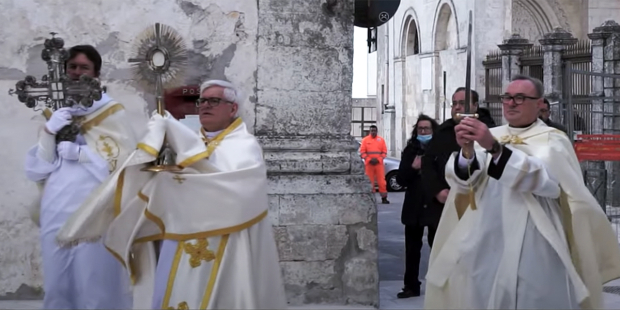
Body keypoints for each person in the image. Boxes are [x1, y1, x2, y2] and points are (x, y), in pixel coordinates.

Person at [56, 79, 288, 309]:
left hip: (227, 246)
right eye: (202, 101)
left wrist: (176, 185)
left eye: (214, 101)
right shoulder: (188, 142)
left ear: (233, 108)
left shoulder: (245, 146)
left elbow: (237, 197)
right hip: (180, 236)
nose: (205, 106)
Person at [424, 75, 620, 309]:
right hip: (486, 235)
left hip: (534, 235)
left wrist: (494, 149)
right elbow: (465, 184)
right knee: (479, 294)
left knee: (532, 296)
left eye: (520, 98)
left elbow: (545, 183)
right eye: (507, 97)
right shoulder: (489, 134)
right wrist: (467, 152)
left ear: (539, 103)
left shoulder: (552, 139)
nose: (511, 103)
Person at [24, 45, 136, 309]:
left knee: (94, 281)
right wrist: (49, 133)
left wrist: (82, 154)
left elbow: (124, 166)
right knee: (57, 282)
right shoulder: (54, 113)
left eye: (83, 67)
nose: (76, 73)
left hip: (95, 209)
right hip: (56, 206)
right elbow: (36, 170)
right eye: (71, 67)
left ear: (96, 74)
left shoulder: (111, 111)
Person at [421, 88, 495, 245]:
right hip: (443, 205)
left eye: (462, 103)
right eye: (454, 103)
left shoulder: (489, 131)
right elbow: (428, 163)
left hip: (477, 206)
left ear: (475, 106)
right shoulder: (443, 131)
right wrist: (437, 190)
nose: (457, 107)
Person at [395, 114, 439, 298]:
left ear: (433, 130)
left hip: (435, 205)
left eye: (426, 129)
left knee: (438, 248)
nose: (423, 132)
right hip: (414, 207)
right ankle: (411, 286)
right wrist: (413, 168)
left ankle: (439, 286)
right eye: (420, 129)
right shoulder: (410, 150)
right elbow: (400, 179)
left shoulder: (440, 149)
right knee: (412, 251)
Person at [360, 125, 390, 204]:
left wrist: (378, 159)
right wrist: (369, 159)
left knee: (381, 181)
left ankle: (384, 198)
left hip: (378, 164)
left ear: (377, 131)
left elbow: (384, 152)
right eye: (372, 131)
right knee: (370, 181)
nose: (373, 132)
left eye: (374, 131)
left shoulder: (381, 140)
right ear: (369, 131)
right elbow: (362, 152)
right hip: (369, 164)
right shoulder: (365, 140)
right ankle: (371, 198)